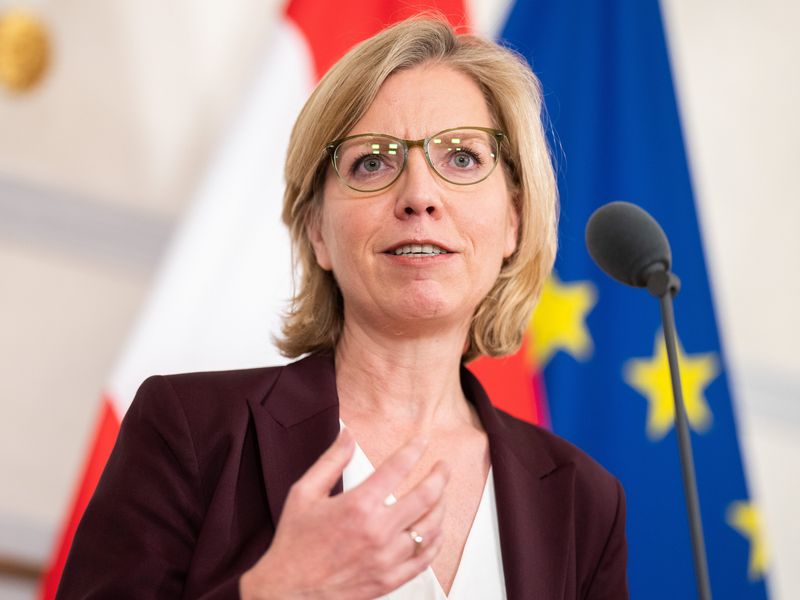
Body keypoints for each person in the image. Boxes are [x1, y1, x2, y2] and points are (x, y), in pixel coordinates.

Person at [57, 17, 628, 600]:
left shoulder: (584, 501)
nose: (420, 196)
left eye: (461, 157)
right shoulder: (192, 429)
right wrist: (277, 591)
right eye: (372, 162)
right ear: (318, 232)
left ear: (513, 220)